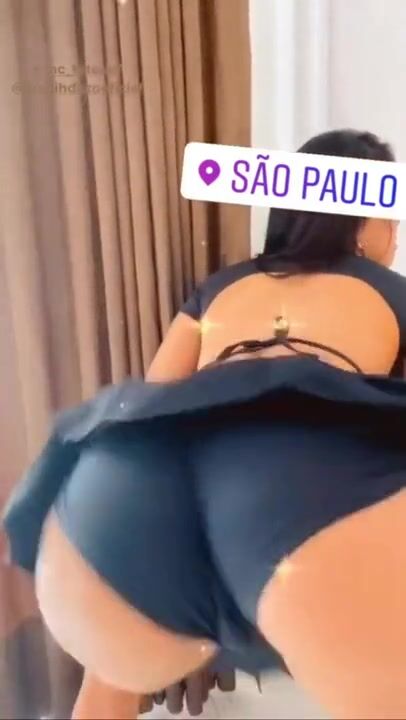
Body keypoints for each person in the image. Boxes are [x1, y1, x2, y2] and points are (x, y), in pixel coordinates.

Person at [3, 128, 406, 720]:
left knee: (106, 694)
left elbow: (154, 396)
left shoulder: (219, 288)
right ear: (362, 221)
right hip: (295, 468)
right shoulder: (393, 292)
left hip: (130, 482)